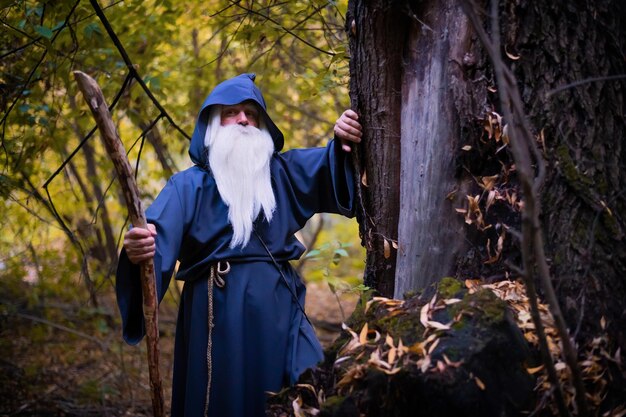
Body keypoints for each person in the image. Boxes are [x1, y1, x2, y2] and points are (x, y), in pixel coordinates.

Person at [116, 73, 362, 416]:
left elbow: (331, 162)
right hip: (217, 313)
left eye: (251, 112)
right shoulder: (187, 186)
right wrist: (137, 251)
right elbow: (154, 239)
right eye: (231, 112)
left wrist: (344, 135)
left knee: (309, 388)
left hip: (281, 308)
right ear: (212, 124)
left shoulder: (282, 173)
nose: (243, 118)